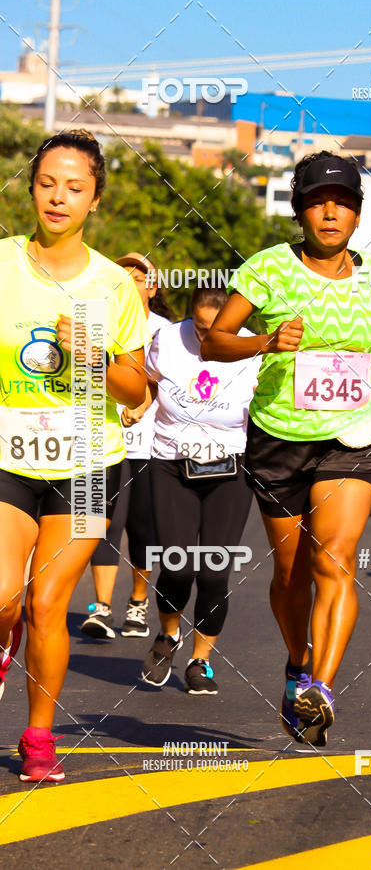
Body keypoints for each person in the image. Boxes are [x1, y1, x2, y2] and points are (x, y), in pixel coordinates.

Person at [201, 151, 371, 745]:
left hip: (352, 434)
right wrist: (265, 341)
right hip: (279, 437)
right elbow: (215, 343)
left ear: (357, 215)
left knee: (336, 558)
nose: (331, 212)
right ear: (301, 210)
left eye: (344, 203)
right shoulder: (268, 269)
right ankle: (298, 664)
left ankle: (320, 689)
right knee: (291, 576)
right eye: (318, 202)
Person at [0, 130, 149, 782]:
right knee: (5, 595)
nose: (57, 197)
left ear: (94, 200)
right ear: (32, 186)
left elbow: (136, 387)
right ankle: (5, 639)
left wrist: (96, 356)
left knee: (47, 601)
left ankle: (38, 735)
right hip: (9, 453)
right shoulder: (3, 263)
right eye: (47, 183)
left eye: (74, 188)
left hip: (89, 463)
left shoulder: (113, 285)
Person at [140, 285, 259, 693]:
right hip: (171, 463)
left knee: (214, 572)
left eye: (218, 330)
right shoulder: (169, 339)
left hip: (230, 469)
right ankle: (168, 635)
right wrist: (138, 406)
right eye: (202, 328)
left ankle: (200, 661)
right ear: (190, 316)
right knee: (177, 563)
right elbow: (150, 381)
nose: (208, 339)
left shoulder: (252, 349)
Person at [82, 253, 173, 640]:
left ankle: (137, 604)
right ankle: (101, 607)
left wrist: (142, 406)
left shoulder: (166, 330)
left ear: (152, 287)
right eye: (124, 277)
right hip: (103, 443)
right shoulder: (96, 322)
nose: (130, 284)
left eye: (139, 278)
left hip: (150, 445)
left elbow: (166, 381)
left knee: (142, 528)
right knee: (102, 525)